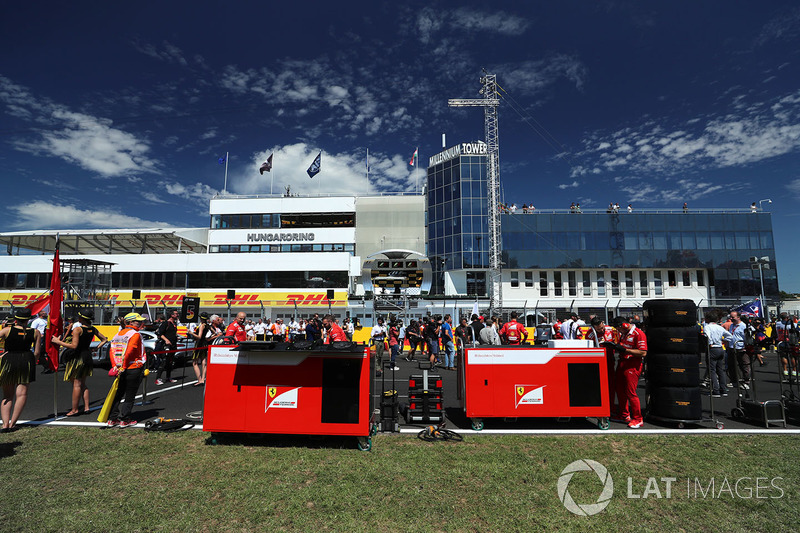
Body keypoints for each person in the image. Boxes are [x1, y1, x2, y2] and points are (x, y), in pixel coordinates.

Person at [51, 309, 107, 416]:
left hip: (78, 357)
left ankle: (75, 409)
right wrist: (96, 348)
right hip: (87, 356)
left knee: (77, 384)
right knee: (82, 384)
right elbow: (104, 339)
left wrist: (59, 342)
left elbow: (74, 346)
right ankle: (86, 407)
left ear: (82, 318)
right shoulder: (92, 329)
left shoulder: (78, 329)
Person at [0, 308, 41, 432]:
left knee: (7, 396)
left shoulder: (6, 330)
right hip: (26, 360)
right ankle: (13, 423)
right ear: (28, 320)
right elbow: (37, 352)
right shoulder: (36, 332)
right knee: (22, 394)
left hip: (9, 359)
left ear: (16, 319)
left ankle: (5, 424)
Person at [106, 312, 149, 428]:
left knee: (118, 393)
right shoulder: (135, 334)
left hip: (119, 368)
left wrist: (115, 365)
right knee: (130, 395)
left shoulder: (119, 333)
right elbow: (129, 351)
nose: (140, 323)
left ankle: (112, 419)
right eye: (138, 321)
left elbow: (112, 350)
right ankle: (125, 419)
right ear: (131, 322)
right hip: (132, 367)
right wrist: (124, 366)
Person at [612, 316, 647, 428]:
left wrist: (625, 350)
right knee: (620, 390)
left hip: (633, 364)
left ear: (624, 325)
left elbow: (643, 352)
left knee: (630, 392)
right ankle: (624, 415)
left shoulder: (638, 333)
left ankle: (638, 418)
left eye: (619, 328)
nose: (618, 331)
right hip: (622, 363)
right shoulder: (625, 334)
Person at [587, 317, 619, 414]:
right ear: (594, 328)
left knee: (611, 385)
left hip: (610, 360)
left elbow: (618, 342)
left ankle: (612, 407)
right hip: (597, 363)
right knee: (598, 386)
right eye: (599, 329)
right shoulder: (590, 334)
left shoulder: (611, 330)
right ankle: (598, 407)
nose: (602, 330)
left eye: (602, 327)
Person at [703, 311, 733, 398]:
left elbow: (707, 336)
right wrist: (723, 340)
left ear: (708, 319)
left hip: (713, 349)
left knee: (712, 370)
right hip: (720, 348)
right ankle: (723, 389)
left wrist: (711, 343)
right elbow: (730, 336)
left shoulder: (707, 327)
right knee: (720, 369)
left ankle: (715, 390)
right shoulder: (719, 327)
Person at [189, 312, 217, 387]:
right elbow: (215, 332)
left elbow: (199, 336)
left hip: (199, 344)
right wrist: (208, 338)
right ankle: (203, 379)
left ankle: (200, 380)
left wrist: (191, 333)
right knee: (203, 362)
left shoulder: (202, 325)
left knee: (195, 362)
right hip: (204, 343)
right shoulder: (207, 325)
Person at [154, 309, 180, 386]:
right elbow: (159, 333)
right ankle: (157, 378)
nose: (177, 315)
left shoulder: (174, 324)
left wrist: (176, 337)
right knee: (164, 361)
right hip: (166, 346)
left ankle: (168, 377)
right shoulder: (166, 323)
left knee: (170, 361)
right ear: (171, 315)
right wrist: (166, 340)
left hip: (173, 345)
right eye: (176, 314)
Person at [727, 311, 750, 389]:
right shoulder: (732, 326)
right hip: (732, 347)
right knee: (731, 365)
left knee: (744, 365)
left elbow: (748, 337)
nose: (731, 318)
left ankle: (746, 381)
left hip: (741, 348)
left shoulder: (743, 326)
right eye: (730, 317)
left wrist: (745, 346)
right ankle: (734, 381)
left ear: (738, 317)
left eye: (733, 317)